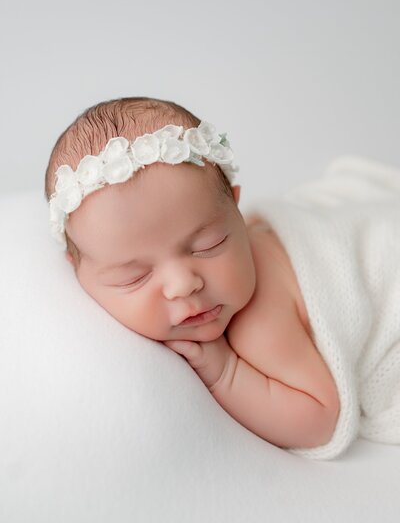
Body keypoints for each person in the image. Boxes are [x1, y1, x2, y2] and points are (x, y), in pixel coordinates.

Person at [44, 96, 343, 455]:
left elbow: (320, 420)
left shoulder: (259, 320)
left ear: (237, 209)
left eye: (208, 245)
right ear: (75, 269)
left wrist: (225, 373)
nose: (184, 284)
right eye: (134, 277)